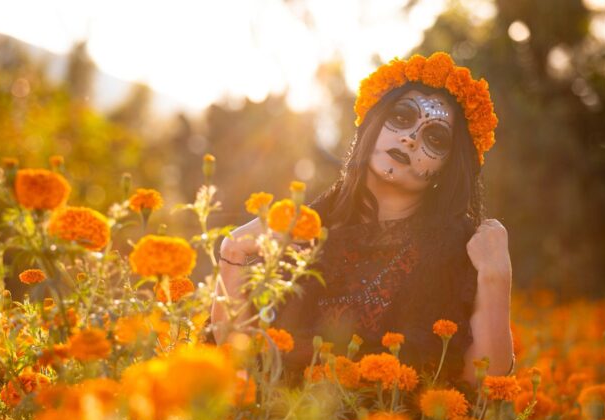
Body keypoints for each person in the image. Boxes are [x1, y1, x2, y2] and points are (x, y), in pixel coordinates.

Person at [212, 52, 514, 385]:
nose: (410, 138)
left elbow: (485, 382)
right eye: (401, 117)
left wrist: (496, 277)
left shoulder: (459, 250)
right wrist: (234, 254)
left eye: (434, 138)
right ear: (372, 123)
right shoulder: (303, 232)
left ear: (447, 166)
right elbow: (235, 358)